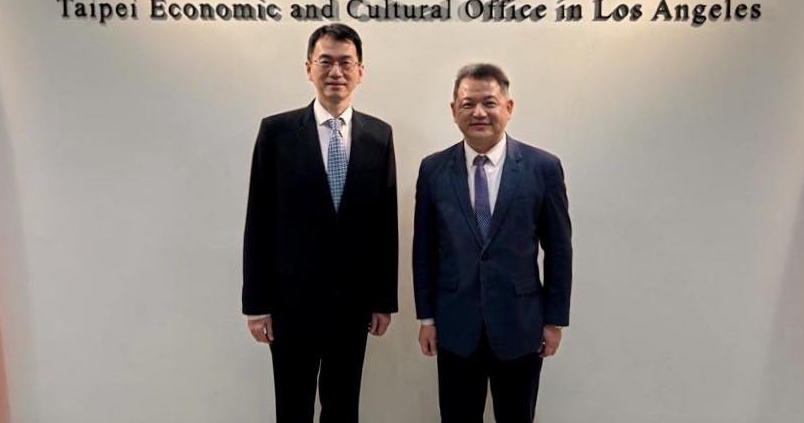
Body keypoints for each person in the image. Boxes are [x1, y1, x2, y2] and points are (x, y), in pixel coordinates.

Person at [242, 23, 398, 423]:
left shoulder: (379, 136)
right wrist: (256, 305)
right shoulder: (276, 132)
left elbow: (385, 225)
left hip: (352, 304)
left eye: (346, 62)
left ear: (360, 71)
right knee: (292, 406)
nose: (336, 72)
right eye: (325, 61)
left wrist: (383, 300)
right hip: (289, 302)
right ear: (308, 68)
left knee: (343, 407)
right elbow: (258, 220)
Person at [412, 63, 573, 423]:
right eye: (468, 104)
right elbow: (423, 250)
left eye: (489, 103)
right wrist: (427, 318)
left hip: (521, 325)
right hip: (455, 325)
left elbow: (559, 250)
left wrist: (554, 321)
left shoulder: (543, 168)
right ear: (453, 110)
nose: (479, 113)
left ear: (508, 107)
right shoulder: (433, 170)